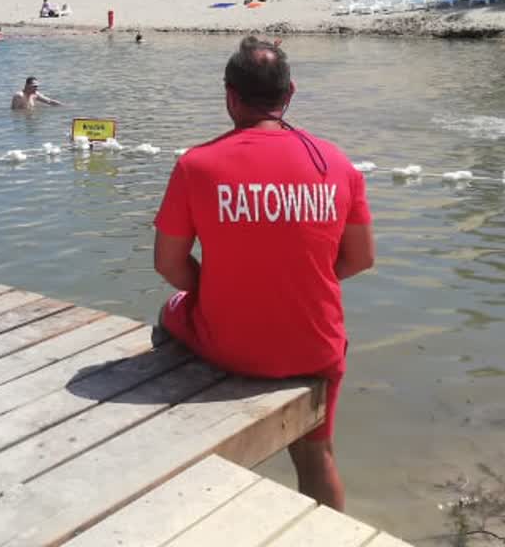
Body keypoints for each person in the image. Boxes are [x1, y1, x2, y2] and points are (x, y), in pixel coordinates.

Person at [152, 36, 374, 510]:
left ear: (230, 96)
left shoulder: (197, 165)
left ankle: (185, 433)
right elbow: (359, 260)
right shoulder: (337, 164)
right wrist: (299, 277)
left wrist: (218, 287)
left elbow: (168, 265)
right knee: (318, 455)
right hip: (316, 346)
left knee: (169, 314)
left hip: (231, 348)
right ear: (289, 93)